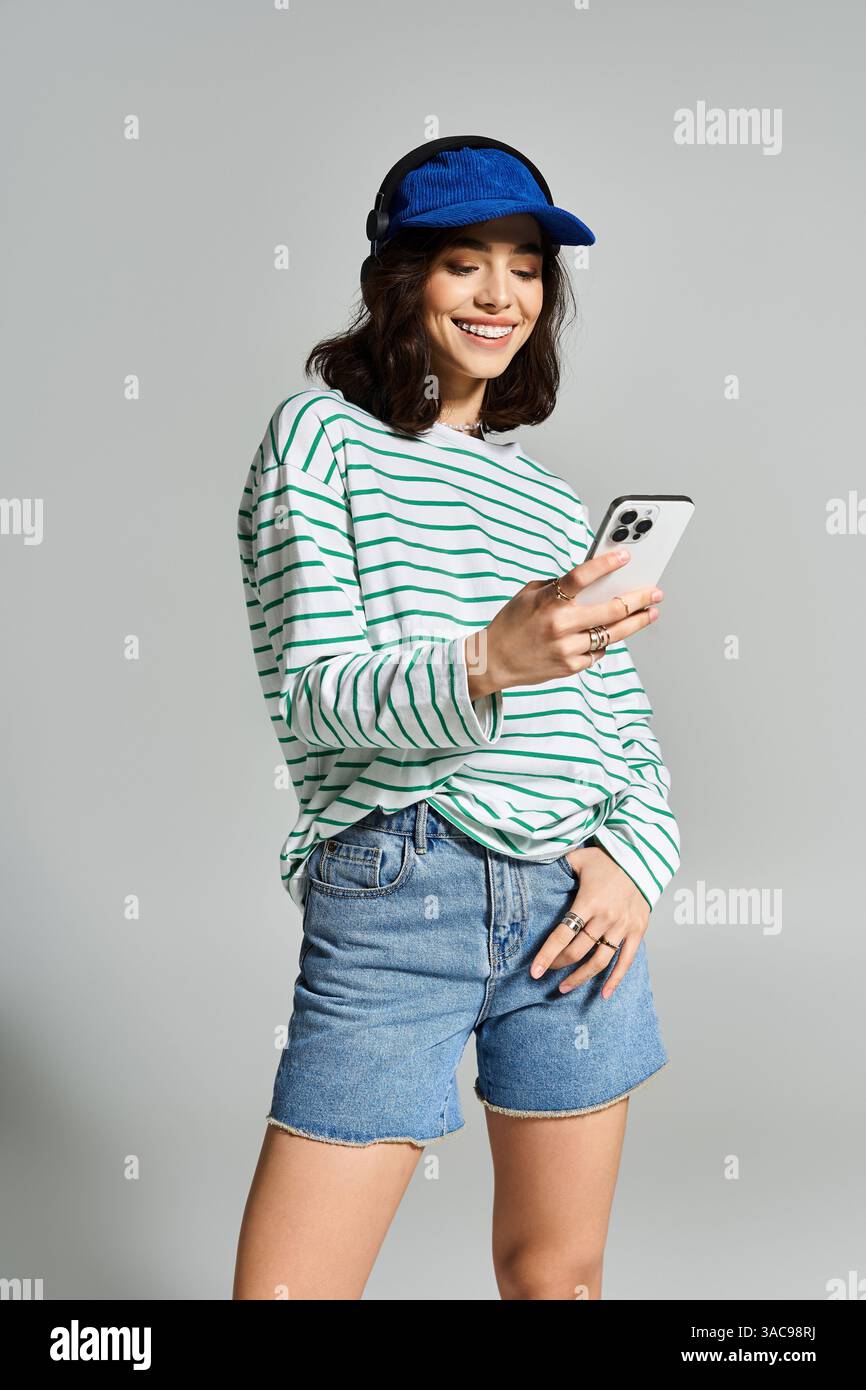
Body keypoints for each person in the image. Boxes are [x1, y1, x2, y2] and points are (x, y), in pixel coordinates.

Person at [232, 142, 680, 1300]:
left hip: (567, 911)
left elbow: (614, 717)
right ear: (400, 279)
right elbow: (315, 697)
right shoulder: (317, 441)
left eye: (525, 269)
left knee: (558, 1280)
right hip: (397, 888)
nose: (499, 297)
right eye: (463, 264)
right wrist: (487, 660)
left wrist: (635, 858)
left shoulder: (544, 494)